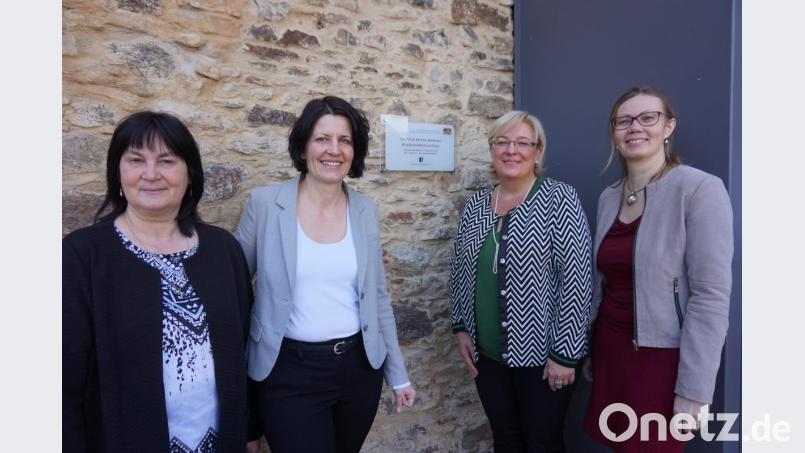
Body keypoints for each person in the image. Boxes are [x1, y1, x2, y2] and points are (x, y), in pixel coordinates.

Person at [63, 111, 261, 452]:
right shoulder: (83, 256)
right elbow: (63, 380)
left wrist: (249, 432)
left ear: (189, 174)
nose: (151, 174)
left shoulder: (222, 249)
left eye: (166, 161)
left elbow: (243, 351)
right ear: (118, 172)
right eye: (136, 160)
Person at [235, 95, 416, 453]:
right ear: (303, 148)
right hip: (289, 372)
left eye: (344, 140)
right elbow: (234, 288)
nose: (333, 150)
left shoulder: (364, 209)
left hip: (359, 370)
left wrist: (398, 375)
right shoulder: (266, 205)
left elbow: (378, 298)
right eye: (322, 139)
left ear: (354, 151)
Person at [582, 86, 733, 451]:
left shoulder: (699, 189)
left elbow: (711, 296)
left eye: (648, 117)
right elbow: (602, 282)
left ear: (668, 127)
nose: (636, 127)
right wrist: (588, 349)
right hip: (611, 349)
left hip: (662, 360)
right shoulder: (608, 196)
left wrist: (694, 389)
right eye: (624, 121)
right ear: (614, 133)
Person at [449, 110, 592, 451]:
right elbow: (459, 269)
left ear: (537, 152)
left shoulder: (559, 199)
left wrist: (565, 354)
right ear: (492, 149)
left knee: (542, 442)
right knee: (506, 439)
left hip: (543, 357)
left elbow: (578, 279)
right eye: (503, 142)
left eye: (522, 143)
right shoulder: (477, 205)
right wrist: (460, 326)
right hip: (488, 356)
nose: (512, 150)